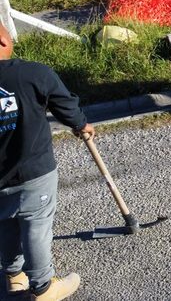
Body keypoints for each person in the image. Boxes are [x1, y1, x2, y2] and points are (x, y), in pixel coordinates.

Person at [1, 22, 93, 301]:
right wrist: (81, 124)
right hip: (34, 173)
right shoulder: (34, 74)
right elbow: (64, 104)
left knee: (4, 222)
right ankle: (43, 287)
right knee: (36, 225)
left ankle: (13, 276)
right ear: (3, 40)